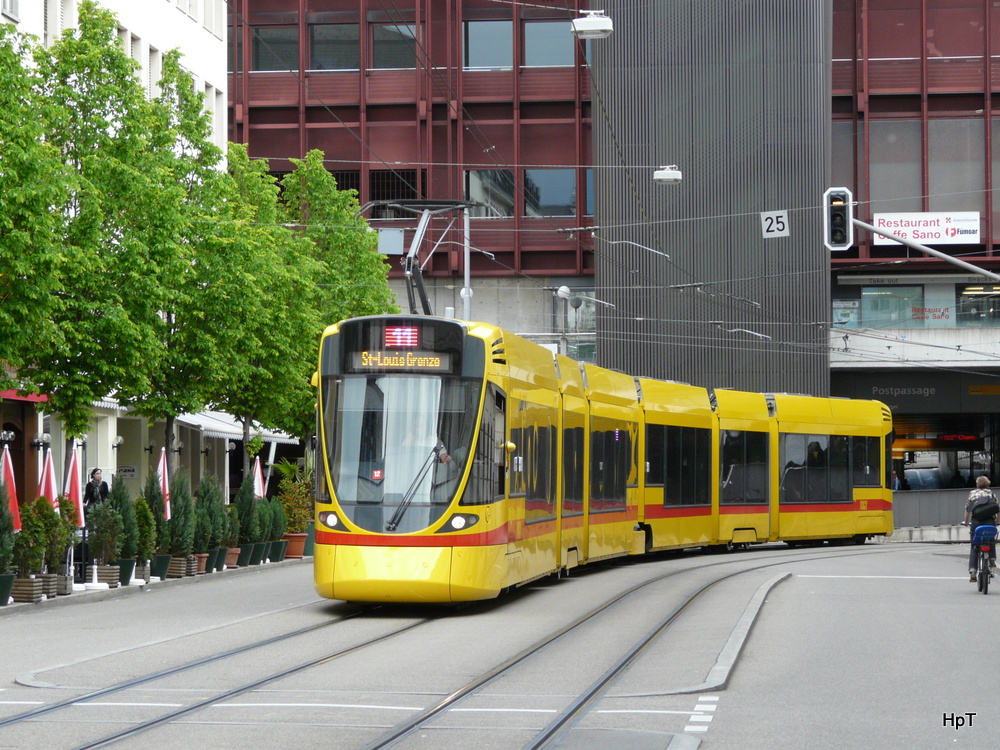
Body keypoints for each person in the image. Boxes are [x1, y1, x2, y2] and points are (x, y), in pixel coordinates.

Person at [962, 476, 999, 581]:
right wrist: (997, 521)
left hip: (976, 523)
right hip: (989, 521)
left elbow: (967, 510)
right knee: (991, 540)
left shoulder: (973, 494)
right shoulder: (991, 494)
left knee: (974, 546)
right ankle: (992, 560)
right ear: (988, 484)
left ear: (977, 484)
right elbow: (997, 508)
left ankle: (973, 572)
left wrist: (965, 522)